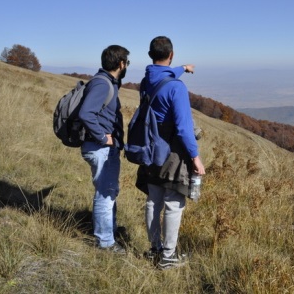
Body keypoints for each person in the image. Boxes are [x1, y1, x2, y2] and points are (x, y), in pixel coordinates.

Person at [137, 35, 206, 269]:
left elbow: (163, 75)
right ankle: (168, 257)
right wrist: (196, 158)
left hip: (150, 149)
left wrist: (182, 69)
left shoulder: (147, 81)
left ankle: (154, 249)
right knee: (174, 203)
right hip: (173, 154)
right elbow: (184, 128)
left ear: (150, 55)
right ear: (172, 54)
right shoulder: (176, 88)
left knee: (153, 201)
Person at [79, 45, 130, 253]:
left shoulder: (106, 82)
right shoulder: (102, 84)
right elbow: (85, 113)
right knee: (105, 193)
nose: (126, 65)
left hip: (101, 147)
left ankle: (110, 230)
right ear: (121, 64)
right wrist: (102, 137)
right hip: (99, 147)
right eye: (127, 62)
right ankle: (105, 242)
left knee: (108, 190)